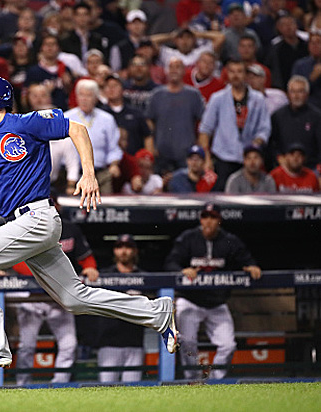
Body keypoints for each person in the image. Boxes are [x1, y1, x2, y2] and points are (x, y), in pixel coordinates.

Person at [0, 74, 179, 369]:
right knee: (75, 298)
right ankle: (156, 313)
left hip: (37, 215)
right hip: (24, 224)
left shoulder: (25, 123)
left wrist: (88, 173)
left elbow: (76, 129)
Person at [165, 203, 262, 380]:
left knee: (228, 344)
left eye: (213, 217)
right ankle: (193, 378)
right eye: (205, 217)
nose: (208, 221)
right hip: (190, 300)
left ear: (219, 220)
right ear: (201, 219)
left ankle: (216, 379)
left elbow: (246, 259)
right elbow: (171, 262)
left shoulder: (229, 240)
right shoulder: (189, 238)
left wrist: (252, 266)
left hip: (217, 303)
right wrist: (182, 270)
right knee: (186, 342)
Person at [12, 193, 97, 386]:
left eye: (53, 203)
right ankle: (22, 384)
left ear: (57, 205)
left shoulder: (70, 228)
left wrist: (90, 267)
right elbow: (17, 262)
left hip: (58, 298)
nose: (50, 207)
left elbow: (86, 258)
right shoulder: (27, 226)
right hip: (33, 299)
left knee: (69, 345)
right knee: (27, 346)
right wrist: (45, 273)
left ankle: (60, 383)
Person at [198, 59, 271, 191]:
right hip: (223, 157)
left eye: (239, 71)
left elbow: (265, 127)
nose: (235, 75)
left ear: (246, 75)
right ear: (227, 74)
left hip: (249, 158)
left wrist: (257, 142)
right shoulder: (217, 98)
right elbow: (205, 129)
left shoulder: (258, 99)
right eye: (232, 72)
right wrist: (207, 159)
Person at [93, 235, 146, 383]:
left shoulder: (144, 277)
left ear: (135, 251)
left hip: (135, 342)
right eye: (119, 247)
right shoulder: (103, 276)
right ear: (114, 251)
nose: (123, 251)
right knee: (106, 391)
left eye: (128, 247)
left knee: (133, 392)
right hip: (108, 344)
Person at [146, 57, 205, 175]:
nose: (174, 70)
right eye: (171, 67)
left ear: (184, 71)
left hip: (186, 154)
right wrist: (151, 146)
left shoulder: (193, 95)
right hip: (161, 154)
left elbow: (204, 122)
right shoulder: (156, 95)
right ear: (166, 71)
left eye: (178, 67)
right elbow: (149, 121)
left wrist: (199, 144)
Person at [64, 79, 122, 194]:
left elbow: (114, 148)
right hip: (72, 175)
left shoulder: (107, 119)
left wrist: (114, 164)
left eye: (89, 95)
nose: (84, 99)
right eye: (81, 95)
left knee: (103, 207)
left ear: (96, 98)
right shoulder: (66, 118)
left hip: (100, 174)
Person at [269, 75, 321, 171]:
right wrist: (278, 157)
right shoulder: (277, 116)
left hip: (310, 168)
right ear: (288, 94)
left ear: (307, 94)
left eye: (300, 91)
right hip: (283, 168)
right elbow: (272, 143)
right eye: (293, 92)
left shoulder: (317, 117)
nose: (296, 96)